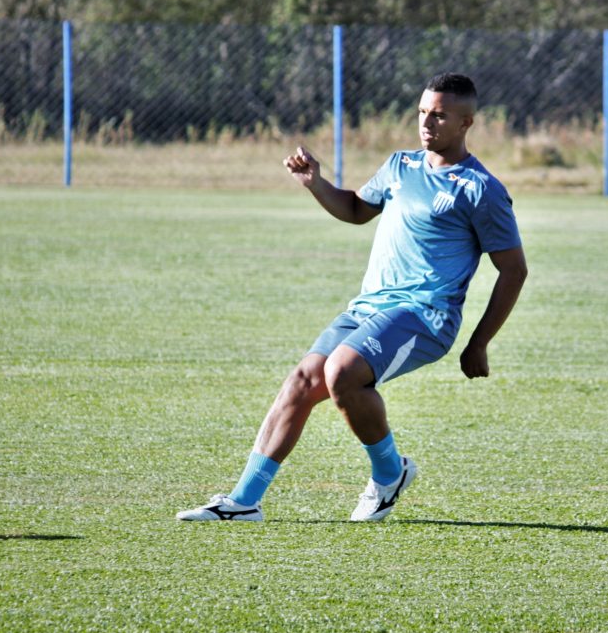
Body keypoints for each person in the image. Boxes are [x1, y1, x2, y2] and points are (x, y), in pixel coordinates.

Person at [177, 72, 527, 523]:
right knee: (303, 380)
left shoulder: (480, 190)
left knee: (341, 371)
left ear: (466, 123)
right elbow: (358, 210)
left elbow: (513, 270)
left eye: (439, 116)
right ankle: (244, 501)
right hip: (369, 308)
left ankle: (388, 474)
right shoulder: (401, 166)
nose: (426, 123)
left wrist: (479, 342)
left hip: (425, 316)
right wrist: (316, 184)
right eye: (422, 113)